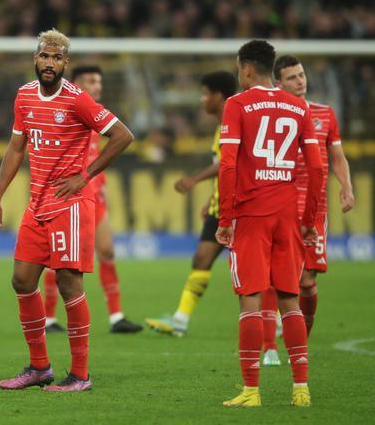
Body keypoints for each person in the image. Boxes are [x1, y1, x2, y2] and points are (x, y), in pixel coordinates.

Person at [0, 29, 134, 392]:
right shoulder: (23, 96)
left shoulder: (78, 100)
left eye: (56, 58)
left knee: (69, 284)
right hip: (37, 204)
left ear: (65, 63)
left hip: (70, 205)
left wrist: (85, 175)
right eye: (44, 56)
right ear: (35, 59)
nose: (49, 63)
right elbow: (16, 148)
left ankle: (80, 375)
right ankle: (39, 367)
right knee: (22, 280)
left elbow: (123, 136)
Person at [215, 39, 324, 407]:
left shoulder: (237, 104)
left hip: (250, 213)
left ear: (246, 68)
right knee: (289, 300)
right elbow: (318, 167)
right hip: (287, 214)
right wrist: (308, 219)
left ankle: (251, 391)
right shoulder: (298, 106)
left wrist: (225, 217)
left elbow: (228, 164)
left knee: (250, 300)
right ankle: (301, 389)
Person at [258, 55, 356, 366]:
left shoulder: (325, 114)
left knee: (307, 282)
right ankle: (269, 347)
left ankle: (299, 343)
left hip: (315, 211)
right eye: (292, 77)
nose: (300, 81)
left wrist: (346, 187)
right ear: (279, 84)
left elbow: (337, 157)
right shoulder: (271, 116)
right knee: (275, 277)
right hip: (280, 203)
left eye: (302, 75)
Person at [42, 65, 142, 335]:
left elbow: (99, 155)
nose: (97, 86)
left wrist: (103, 186)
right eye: (91, 81)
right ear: (75, 83)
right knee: (61, 259)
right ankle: (48, 317)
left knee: (107, 251)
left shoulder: (98, 116)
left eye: (99, 81)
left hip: (94, 195)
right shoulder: (65, 111)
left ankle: (116, 316)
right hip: (68, 195)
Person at [146, 71, 237, 337]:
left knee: (252, 270)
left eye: (205, 93)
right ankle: (180, 320)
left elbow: (227, 165)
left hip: (239, 208)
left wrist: (194, 179)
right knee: (201, 258)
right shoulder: (221, 127)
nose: (201, 100)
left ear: (218, 96)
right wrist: (212, 199)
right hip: (220, 206)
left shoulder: (235, 123)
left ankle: (275, 320)